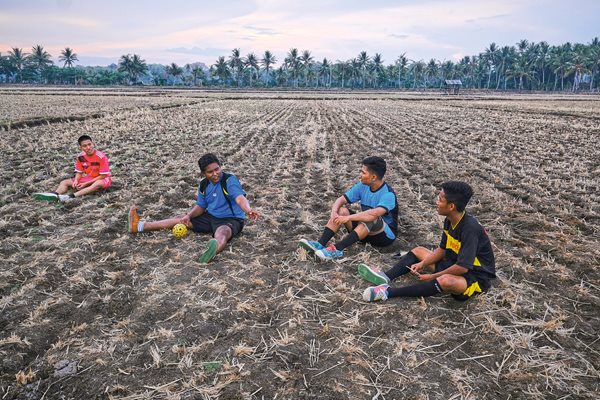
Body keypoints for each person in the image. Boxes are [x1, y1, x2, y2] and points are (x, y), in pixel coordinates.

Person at [359, 181, 496, 302]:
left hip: (475, 276)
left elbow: (462, 267)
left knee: (445, 280)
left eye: (440, 199)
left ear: (451, 206)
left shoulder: (470, 229)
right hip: (454, 262)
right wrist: (422, 264)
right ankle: (386, 277)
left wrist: (432, 277)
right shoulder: (450, 220)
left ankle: (387, 292)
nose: (436, 202)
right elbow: (442, 249)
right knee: (419, 251)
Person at [128, 153, 259, 264]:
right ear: (203, 173)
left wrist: (248, 210)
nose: (215, 174)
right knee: (180, 219)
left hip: (231, 219)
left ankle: (212, 250)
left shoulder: (229, 180)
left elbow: (239, 198)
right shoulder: (204, 185)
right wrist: (189, 216)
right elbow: (201, 206)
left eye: (217, 169)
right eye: (210, 172)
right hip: (210, 217)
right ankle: (139, 226)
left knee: (223, 231)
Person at [299, 156, 398, 261]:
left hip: (384, 237)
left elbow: (372, 214)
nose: (360, 175)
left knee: (372, 218)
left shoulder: (388, 194)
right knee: (342, 211)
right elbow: (340, 200)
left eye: (363, 173)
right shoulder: (362, 186)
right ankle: (320, 244)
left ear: (373, 177)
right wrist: (334, 212)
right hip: (365, 232)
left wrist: (348, 218)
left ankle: (337, 249)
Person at [33, 135, 112, 203]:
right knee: (64, 182)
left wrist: (86, 184)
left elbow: (103, 175)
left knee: (97, 184)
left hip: (103, 179)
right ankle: (54, 194)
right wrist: (77, 180)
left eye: (90, 144)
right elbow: (79, 172)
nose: (88, 147)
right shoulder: (81, 157)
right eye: (85, 146)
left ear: (93, 144)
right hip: (89, 178)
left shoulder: (101, 157)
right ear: (81, 147)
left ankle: (70, 197)